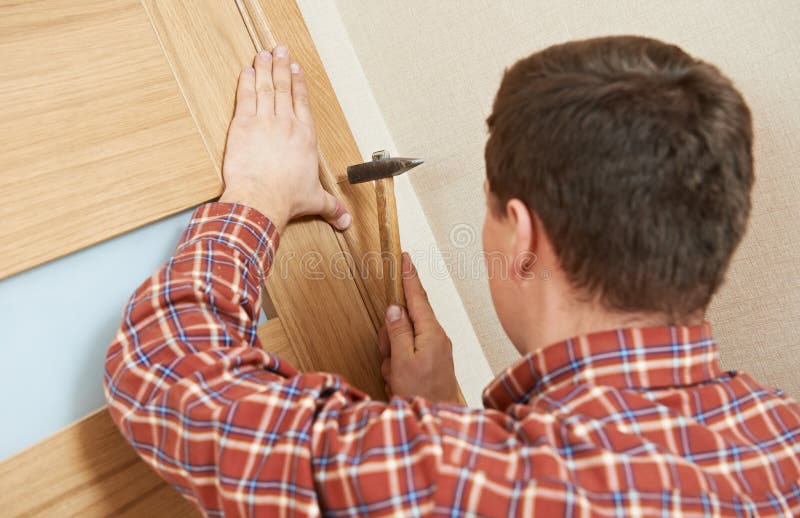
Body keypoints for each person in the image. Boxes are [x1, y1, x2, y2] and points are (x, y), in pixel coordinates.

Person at [104, 37, 800, 516]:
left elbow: (163, 372)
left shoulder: (464, 482)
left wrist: (256, 191)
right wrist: (445, 414)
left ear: (523, 239)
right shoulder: (782, 434)